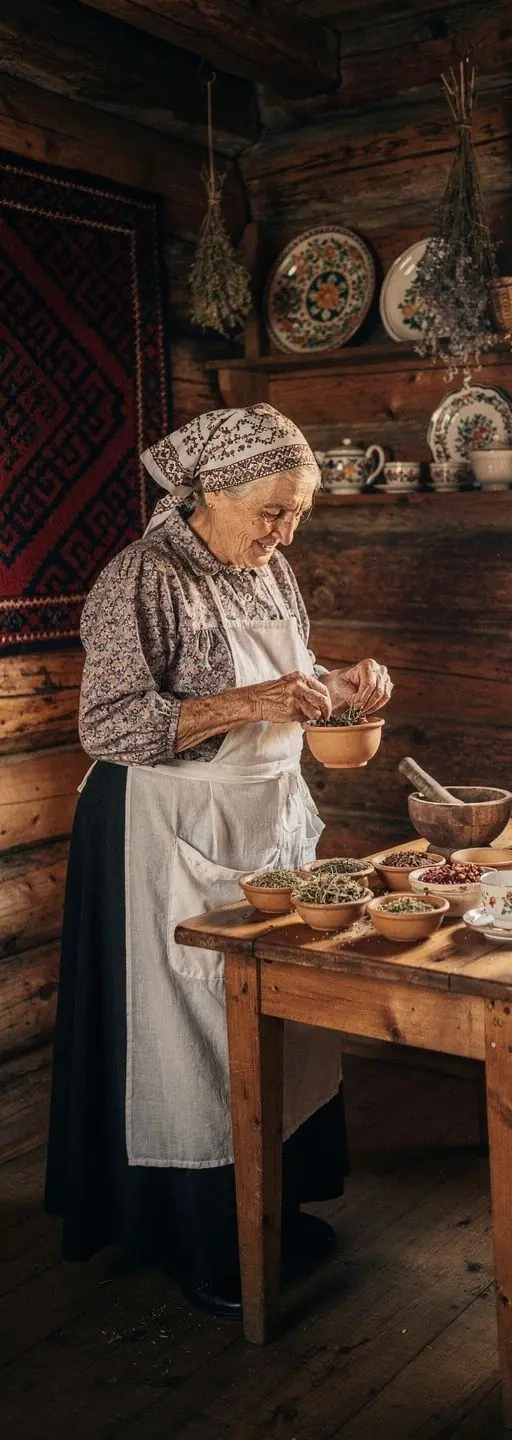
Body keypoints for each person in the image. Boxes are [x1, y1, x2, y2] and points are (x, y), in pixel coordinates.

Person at [45, 404, 393, 1318]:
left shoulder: (270, 571)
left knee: (288, 1014)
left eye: (298, 515)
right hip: (167, 832)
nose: (284, 532)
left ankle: (273, 1208)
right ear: (207, 492)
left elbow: (293, 682)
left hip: (264, 822)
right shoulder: (142, 577)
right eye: (271, 511)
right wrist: (254, 700)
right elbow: (109, 725)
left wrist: (340, 687)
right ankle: (195, 1237)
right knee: (191, 1036)